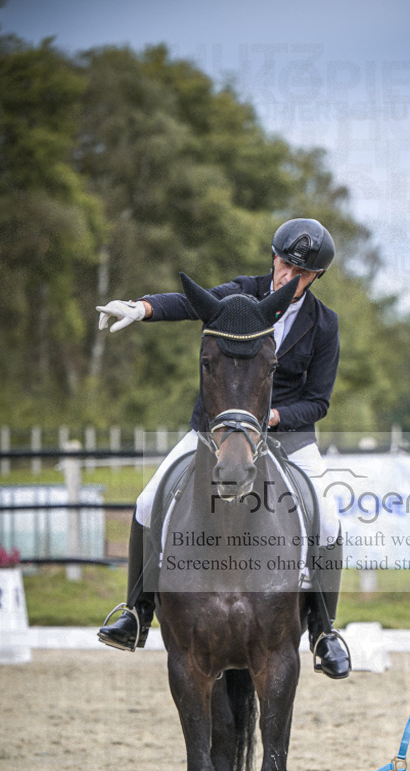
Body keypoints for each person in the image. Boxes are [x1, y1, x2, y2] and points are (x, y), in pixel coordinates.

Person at [96, 218, 351, 678]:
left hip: (285, 436)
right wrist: (143, 308)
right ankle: (135, 613)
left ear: (315, 278)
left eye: (299, 271)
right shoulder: (241, 295)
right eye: (282, 262)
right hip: (214, 431)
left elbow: (319, 401)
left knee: (329, 518)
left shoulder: (323, 324)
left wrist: (270, 418)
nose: (285, 275)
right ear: (273, 257)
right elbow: (189, 303)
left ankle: (323, 630)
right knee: (147, 500)